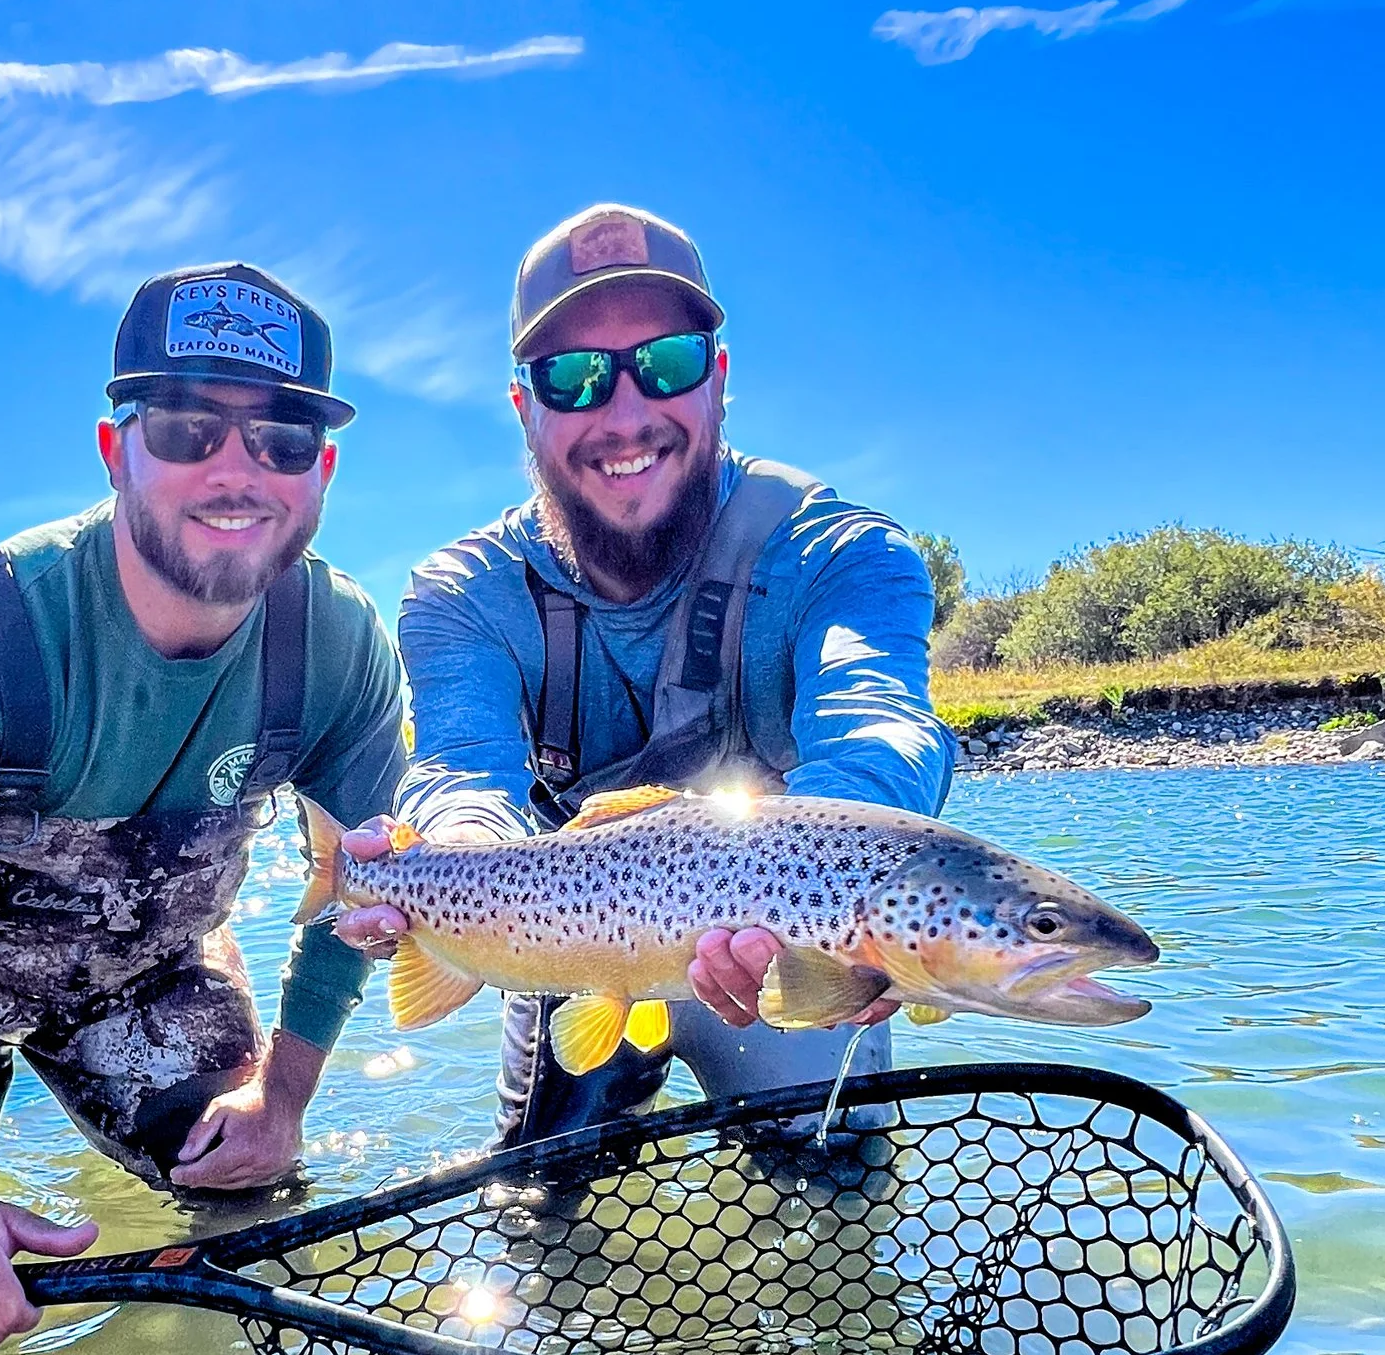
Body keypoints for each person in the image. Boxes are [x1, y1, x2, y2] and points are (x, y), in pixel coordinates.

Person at [0, 263, 406, 1349]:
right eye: (190, 429)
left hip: (149, 976)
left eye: (281, 442)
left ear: (320, 471)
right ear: (118, 452)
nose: (237, 470)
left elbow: (372, 880)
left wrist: (282, 1099)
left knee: (252, 1199)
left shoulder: (335, 646)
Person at [338, 202, 954, 1143]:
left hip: (787, 940)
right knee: (543, 1187)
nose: (624, 414)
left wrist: (841, 905)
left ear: (718, 379)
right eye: (574, 377)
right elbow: (465, 770)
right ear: (524, 409)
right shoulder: (462, 593)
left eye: (664, 362)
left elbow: (878, 722)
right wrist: (442, 862)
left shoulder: (841, 553)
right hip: (563, 930)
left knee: (828, 1185)